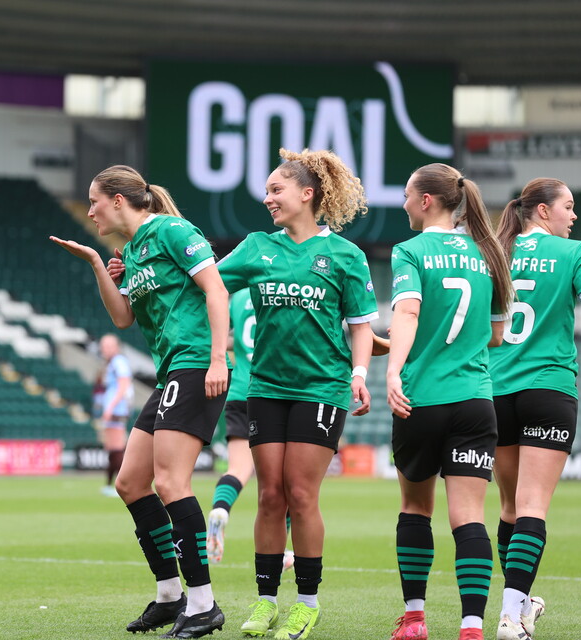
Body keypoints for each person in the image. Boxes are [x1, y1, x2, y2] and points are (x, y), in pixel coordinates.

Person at [51, 164, 230, 638]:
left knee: (172, 482)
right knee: (132, 482)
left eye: (94, 200)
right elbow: (123, 317)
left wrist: (217, 359)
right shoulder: (132, 250)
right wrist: (98, 264)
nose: (89, 210)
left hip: (196, 364)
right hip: (172, 371)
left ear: (117, 200)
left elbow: (216, 289)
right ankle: (170, 596)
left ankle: (203, 604)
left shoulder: (171, 230)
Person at [217, 148, 377, 640]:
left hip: (321, 388)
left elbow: (362, 324)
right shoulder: (255, 248)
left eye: (276, 190)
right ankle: (266, 602)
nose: (268, 199)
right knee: (269, 495)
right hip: (265, 386)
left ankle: (306, 603)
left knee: (301, 494)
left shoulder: (347, 256)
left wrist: (360, 372)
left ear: (307, 194)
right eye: (267, 191)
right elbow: (206, 282)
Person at [386, 164, 513, 640]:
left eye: (405, 195)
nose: (402, 204)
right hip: (476, 401)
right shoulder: (488, 252)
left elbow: (410, 312)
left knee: (416, 508)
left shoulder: (410, 251)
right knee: (469, 518)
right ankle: (472, 627)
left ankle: (416, 620)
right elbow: (497, 336)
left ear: (425, 201)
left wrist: (394, 367)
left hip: (423, 400)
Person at [488, 179, 581, 640]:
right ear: (541, 210)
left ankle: (520, 607)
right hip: (549, 389)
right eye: (568, 207)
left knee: (510, 507)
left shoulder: (494, 250)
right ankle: (510, 616)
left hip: (493, 390)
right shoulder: (575, 254)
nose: (573, 217)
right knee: (533, 506)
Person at [206, 290, 294, 571]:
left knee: (238, 468)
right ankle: (280, 549)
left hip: (239, 391)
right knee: (285, 480)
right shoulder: (279, 291)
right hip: (273, 392)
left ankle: (220, 509)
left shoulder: (238, 298)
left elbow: (222, 334)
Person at [97, 333, 134, 497]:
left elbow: (123, 384)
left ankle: (124, 485)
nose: (104, 349)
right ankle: (110, 485)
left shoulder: (119, 362)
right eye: (103, 346)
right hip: (115, 409)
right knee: (113, 449)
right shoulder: (113, 362)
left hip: (116, 410)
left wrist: (110, 407)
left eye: (107, 346)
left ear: (116, 347)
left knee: (116, 447)